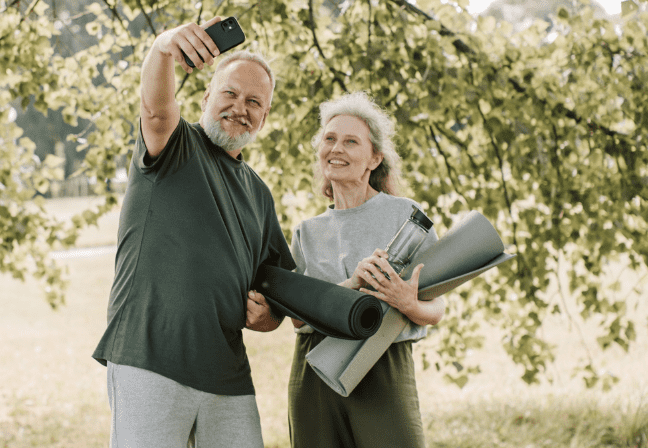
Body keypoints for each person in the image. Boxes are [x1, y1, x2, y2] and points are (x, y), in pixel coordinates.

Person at [91, 17, 296, 448]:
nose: (240, 107)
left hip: (228, 376)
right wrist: (164, 47)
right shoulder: (173, 144)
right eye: (230, 93)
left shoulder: (258, 193)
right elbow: (155, 107)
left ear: (265, 115)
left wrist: (270, 317)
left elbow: (277, 289)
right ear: (206, 96)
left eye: (254, 101)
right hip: (150, 360)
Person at [287, 91, 446, 448]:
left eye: (350, 141)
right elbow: (297, 319)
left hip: (384, 365)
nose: (336, 148)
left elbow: (436, 308)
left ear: (374, 158)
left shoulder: (406, 217)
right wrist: (355, 281)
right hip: (314, 370)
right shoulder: (306, 232)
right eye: (329, 139)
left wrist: (408, 302)